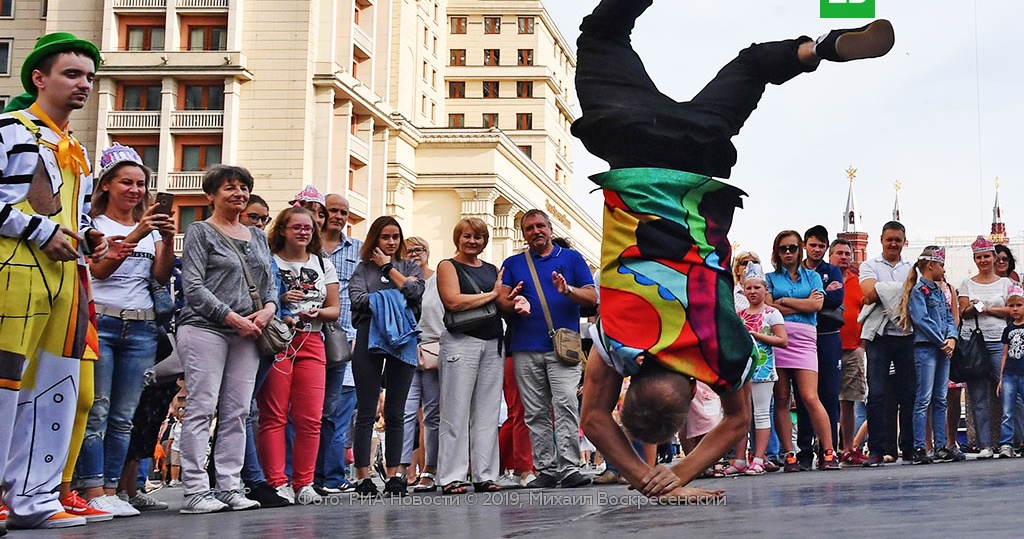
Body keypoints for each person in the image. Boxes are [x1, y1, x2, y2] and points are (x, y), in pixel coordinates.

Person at [571, 0, 893, 497]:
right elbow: (594, 418)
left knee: (752, 65)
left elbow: (737, 421)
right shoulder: (619, 342)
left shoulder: (721, 350)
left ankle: (819, 49)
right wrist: (649, 479)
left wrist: (671, 477)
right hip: (627, 139)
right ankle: (817, 48)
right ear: (631, 383)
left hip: (698, 151)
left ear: (693, 394)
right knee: (601, 33)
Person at [0, 32, 111, 530]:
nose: (84, 84)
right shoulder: (9, 127)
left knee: (57, 385)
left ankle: (37, 496)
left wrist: (89, 236)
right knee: (5, 383)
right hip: (13, 270)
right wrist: (40, 229)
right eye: (72, 74)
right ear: (39, 78)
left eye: (89, 76)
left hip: (67, 278)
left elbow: (73, 212)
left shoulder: (78, 150)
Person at [75, 143, 175, 517]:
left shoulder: (149, 230)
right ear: (106, 186)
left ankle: (114, 488)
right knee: (97, 409)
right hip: (102, 320)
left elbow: (161, 276)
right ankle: (92, 486)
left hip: (143, 325)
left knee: (124, 414)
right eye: (126, 183)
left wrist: (165, 239)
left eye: (140, 184)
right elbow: (99, 270)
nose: (134, 190)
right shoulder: (94, 225)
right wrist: (137, 232)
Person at [176, 165, 275, 513]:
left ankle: (230, 486)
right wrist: (231, 317)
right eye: (230, 188)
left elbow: (269, 283)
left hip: (249, 333)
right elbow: (192, 287)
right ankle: (195, 490)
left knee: (236, 412)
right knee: (201, 408)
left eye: (244, 188)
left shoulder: (258, 236)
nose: (239, 194)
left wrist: (268, 310)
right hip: (205, 329)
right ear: (211, 196)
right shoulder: (200, 232)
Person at [497, 210, 597, 490]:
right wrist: (513, 302)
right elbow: (502, 302)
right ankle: (546, 469)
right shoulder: (514, 263)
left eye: (541, 225)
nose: (535, 231)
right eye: (529, 228)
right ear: (523, 233)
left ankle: (569, 467)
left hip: (562, 347)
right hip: (524, 347)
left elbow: (592, 296)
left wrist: (568, 292)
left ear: (550, 229)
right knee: (535, 411)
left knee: (565, 402)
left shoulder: (571, 258)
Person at [258, 206, 339, 505]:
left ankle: (304, 483)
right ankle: (276, 481)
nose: (304, 232)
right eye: (297, 227)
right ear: (282, 230)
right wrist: (279, 300)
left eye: (308, 228)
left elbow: (335, 309)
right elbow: (260, 297)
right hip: (278, 340)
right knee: (274, 415)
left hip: (312, 338)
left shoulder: (322, 263)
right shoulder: (269, 261)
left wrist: (319, 312)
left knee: (310, 418)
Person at [349, 216, 424, 497]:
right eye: (385, 237)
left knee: (396, 411)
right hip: (369, 337)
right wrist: (398, 297)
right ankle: (362, 476)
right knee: (366, 410)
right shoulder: (361, 269)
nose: (391, 242)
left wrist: (388, 269)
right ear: (374, 240)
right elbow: (357, 300)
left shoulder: (408, 266)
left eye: (395, 237)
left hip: (402, 341)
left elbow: (417, 291)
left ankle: (395, 474)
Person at [436, 219, 506, 494]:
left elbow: (502, 300)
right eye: (467, 236)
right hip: (460, 343)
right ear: (458, 238)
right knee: (455, 411)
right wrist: (492, 295)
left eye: (479, 237)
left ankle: (485, 474)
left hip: (492, 343)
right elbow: (452, 300)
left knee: (488, 412)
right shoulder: (447, 266)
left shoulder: (492, 269)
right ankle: (451, 476)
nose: (473, 241)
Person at [766, 231, 840, 471]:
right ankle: (790, 454)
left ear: (800, 250)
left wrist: (784, 301)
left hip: (806, 339)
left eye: (792, 248)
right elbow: (767, 309)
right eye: (783, 249)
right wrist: (801, 304)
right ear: (776, 252)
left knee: (810, 396)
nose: (788, 253)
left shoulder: (813, 277)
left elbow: (816, 305)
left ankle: (828, 451)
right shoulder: (769, 278)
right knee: (781, 399)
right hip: (777, 339)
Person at [314, 193, 363, 495]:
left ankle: (332, 477)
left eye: (344, 212)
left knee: (337, 412)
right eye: (333, 210)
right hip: (308, 336)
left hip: (347, 341)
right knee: (309, 413)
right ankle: (308, 476)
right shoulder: (306, 247)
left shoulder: (358, 250)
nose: (339, 216)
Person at [860, 221, 915, 466]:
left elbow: (876, 294)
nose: (893, 243)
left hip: (906, 336)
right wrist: (903, 291)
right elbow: (868, 294)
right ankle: (876, 449)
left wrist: (883, 291)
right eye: (889, 239)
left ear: (904, 241)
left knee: (909, 394)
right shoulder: (869, 265)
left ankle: (909, 447)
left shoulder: (914, 268)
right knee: (878, 394)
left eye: (898, 239)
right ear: (881, 240)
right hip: (879, 337)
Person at [897, 246, 957, 464]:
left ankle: (941, 446)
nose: (943, 270)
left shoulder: (940, 291)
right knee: (924, 398)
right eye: (941, 265)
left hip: (941, 349)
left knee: (940, 398)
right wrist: (943, 341)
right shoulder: (918, 292)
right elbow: (921, 320)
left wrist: (952, 338)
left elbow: (950, 317)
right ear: (930, 265)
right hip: (926, 349)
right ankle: (919, 447)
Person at [725, 263, 787, 476]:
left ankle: (759, 458)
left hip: (763, 370)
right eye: (748, 288)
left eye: (757, 288)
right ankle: (740, 458)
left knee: (761, 414)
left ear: (765, 289)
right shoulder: (739, 314)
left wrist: (756, 335)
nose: (752, 292)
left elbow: (782, 340)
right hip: (743, 371)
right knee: (743, 415)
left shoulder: (772, 313)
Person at [958, 235, 1013, 459]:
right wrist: (973, 308)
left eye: (986, 256)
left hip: (999, 341)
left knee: (1006, 393)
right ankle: (985, 444)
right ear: (975, 259)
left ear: (993, 257)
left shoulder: (1006, 284)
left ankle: (1008, 441)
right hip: (974, 344)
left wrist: (987, 309)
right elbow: (963, 312)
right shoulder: (967, 283)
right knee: (978, 396)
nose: (983, 260)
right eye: (979, 257)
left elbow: (1013, 310)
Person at [794, 225, 844, 470]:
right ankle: (804, 452)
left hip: (828, 337)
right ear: (805, 245)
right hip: (803, 339)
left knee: (829, 396)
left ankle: (829, 450)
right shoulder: (796, 270)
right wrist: (812, 300)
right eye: (813, 245)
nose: (817, 250)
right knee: (805, 397)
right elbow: (820, 299)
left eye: (821, 246)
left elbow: (836, 299)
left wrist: (809, 299)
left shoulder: (832, 270)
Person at [401, 237, 441, 493]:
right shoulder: (398, 279)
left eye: (421, 249)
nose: (416, 254)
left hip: (433, 349)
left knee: (433, 414)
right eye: (410, 250)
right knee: (403, 413)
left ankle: (430, 470)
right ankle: (401, 471)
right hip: (404, 350)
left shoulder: (439, 279)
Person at [829, 239, 868, 464]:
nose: (843, 257)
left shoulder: (858, 281)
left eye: (847, 253)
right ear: (830, 256)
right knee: (826, 399)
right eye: (839, 253)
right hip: (827, 345)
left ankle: (848, 449)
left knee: (850, 400)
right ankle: (827, 448)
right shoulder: (823, 279)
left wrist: (862, 343)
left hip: (853, 348)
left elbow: (867, 311)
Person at [997, 284, 1024, 458]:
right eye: (1011, 306)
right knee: (1007, 410)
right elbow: (1005, 354)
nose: (1015, 309)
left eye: (1019, 305)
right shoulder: (1008, 329)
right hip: (1009, 374)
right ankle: (1006, 444)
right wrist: (1001, 378)